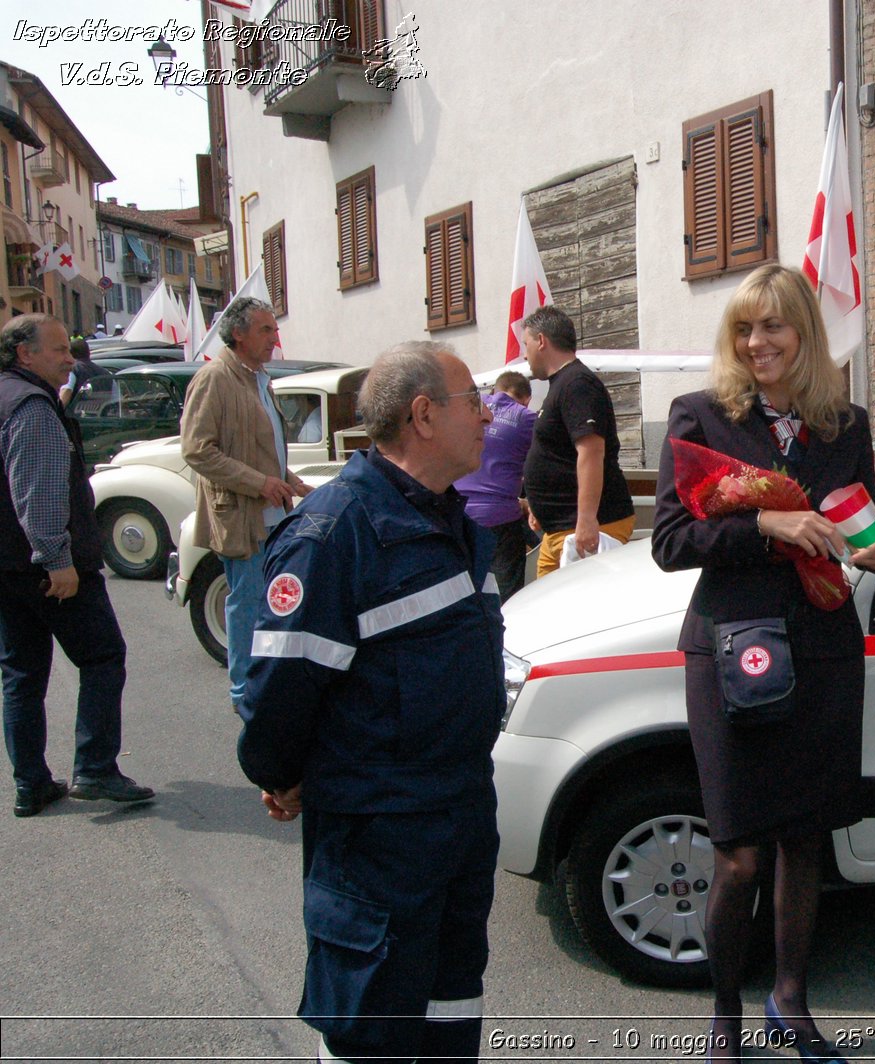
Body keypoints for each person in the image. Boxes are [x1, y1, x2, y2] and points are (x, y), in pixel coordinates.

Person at [652, 265, 875, 1061]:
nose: (758, 343)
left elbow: (857, 528)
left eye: (774, 327)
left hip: (825, 648)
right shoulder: (699, 417)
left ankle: (790, 1001)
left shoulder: (846, 424)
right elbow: (668, 544)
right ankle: (725, 1013)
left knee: (805, 842)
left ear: (805, 334)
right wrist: (768, 524)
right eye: (744, 329)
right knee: (738, 854)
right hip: (733, 648)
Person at [237, 341, 500, 1063]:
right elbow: (280, 693)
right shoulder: (334, 533)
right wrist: (283, 775)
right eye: (472, 402)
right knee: (370, 1028)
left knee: (449, 1013)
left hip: (459, 816)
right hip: (377, 832)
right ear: (423, 415)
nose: (488, 416)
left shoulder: (453, 521)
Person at [0, 315, 154, 816]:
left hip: (7, 566)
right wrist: (56, 559)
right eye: (60, 349)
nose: (71, 358)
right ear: (25, 354)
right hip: (48, 567)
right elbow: (37, 493)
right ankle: (95, 770)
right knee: (103, 657)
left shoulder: (10, 395)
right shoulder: (30, 407)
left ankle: (31, 784)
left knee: (22, 674)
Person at [179, 298, 310, 714]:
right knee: (247, 604)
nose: (275, 338)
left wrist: (289, 480)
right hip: (241, 517)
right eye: (266, 330)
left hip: (274, 514)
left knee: (275, 602)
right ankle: (244, 695)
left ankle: (266, 685)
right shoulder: (215, 378)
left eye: (274, 329)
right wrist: (260, 483)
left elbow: (261, 447)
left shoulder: (259, 378)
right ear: (239, 334)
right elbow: (197, 451)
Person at [518, 306, 634, 577]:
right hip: (562, 528)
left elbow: (591, 452)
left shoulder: (577, 384)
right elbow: (558, 455)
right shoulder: (563, 384)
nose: (525, 354)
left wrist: (586, 519)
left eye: (526, 344)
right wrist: (538, 505)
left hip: (586, 528)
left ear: (541, 341)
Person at [454, 369, 536, 597]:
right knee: (507, 593)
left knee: (469, 588)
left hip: (460, 513)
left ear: (494, 389)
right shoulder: (526, 417)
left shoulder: (468, 410)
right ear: (526, 399)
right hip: (500, 516)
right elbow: (540, 463)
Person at [57, 335, 110, 407]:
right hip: (100, 416)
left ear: (70, 353)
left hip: (76, 416)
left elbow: (65, 393)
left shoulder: (73, 370)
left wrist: (57, 411)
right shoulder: (106, 373)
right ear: (88, 353)